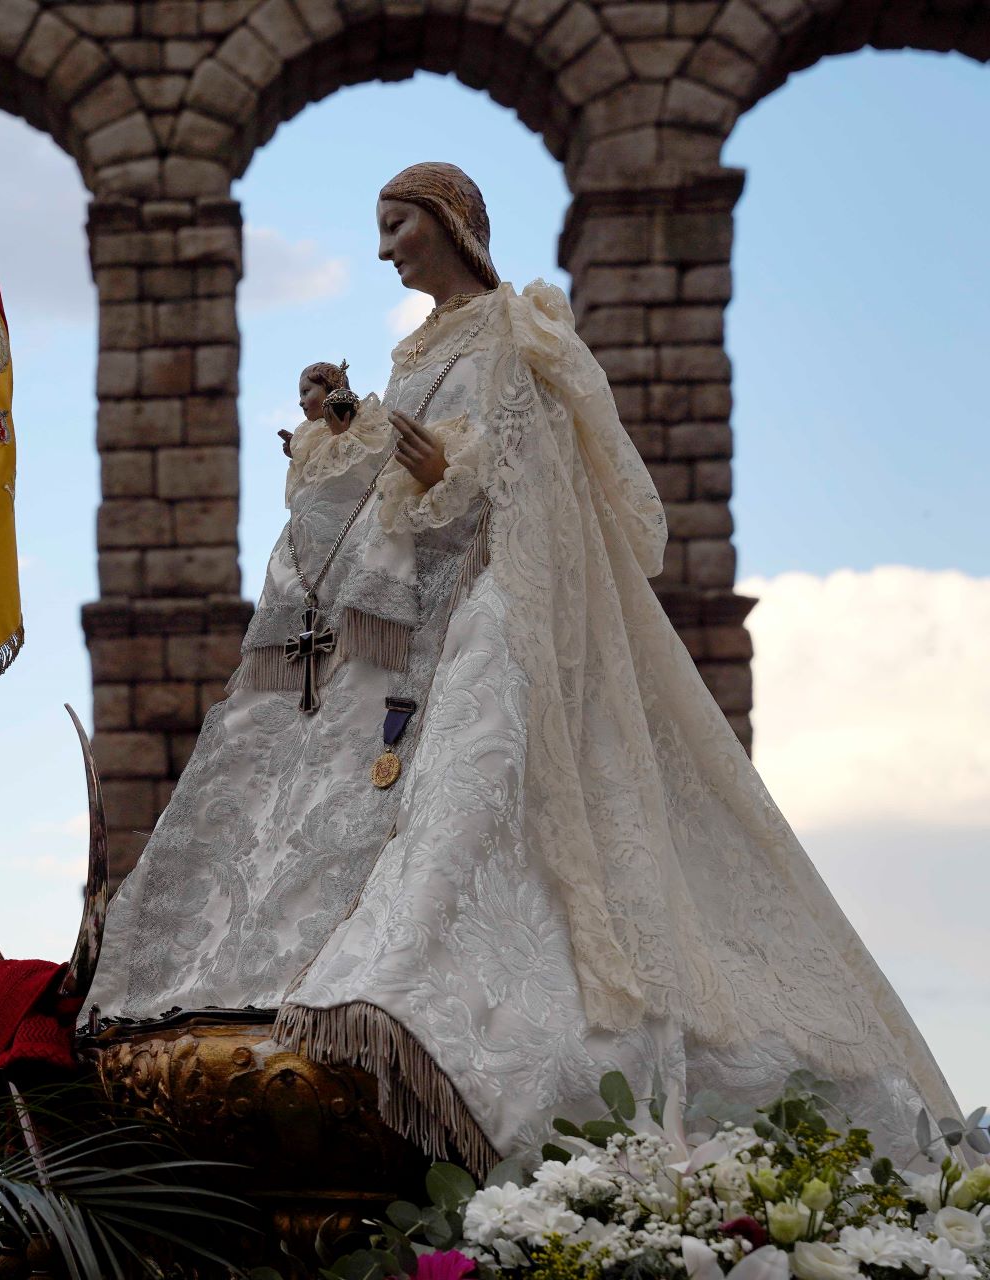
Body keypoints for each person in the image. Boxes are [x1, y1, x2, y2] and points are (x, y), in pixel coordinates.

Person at [82, 162, 964, 1170]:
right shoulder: (416, 346)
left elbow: (534, 460)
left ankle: (424, 1000)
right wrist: (342, 426)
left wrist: (436, 470)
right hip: (402, 619)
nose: (385, 249)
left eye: (397, 224)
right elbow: (390, 467)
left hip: (490, 608)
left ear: (450, 223)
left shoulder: (522, 324)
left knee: (477, 782)